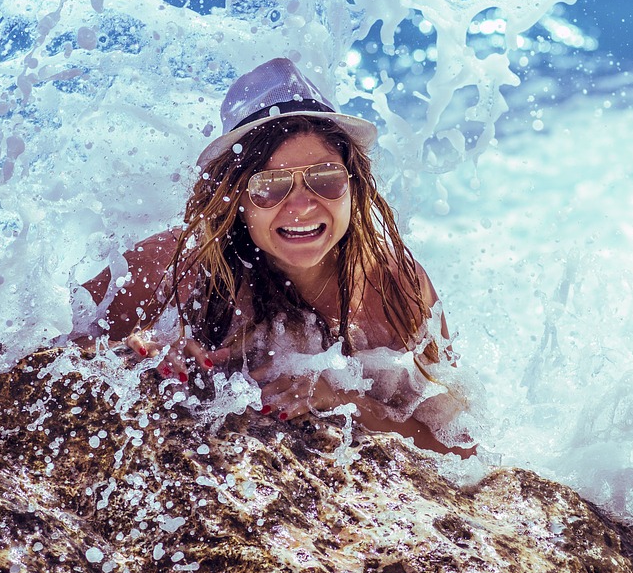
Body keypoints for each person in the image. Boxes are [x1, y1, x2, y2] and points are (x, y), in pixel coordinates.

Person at [73, 57, 475, 458]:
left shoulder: (393, 286)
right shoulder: (171, 267)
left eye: (326, 179)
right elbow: (43, 358)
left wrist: (350, 402)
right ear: (234, 198)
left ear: (354, 184)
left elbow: (462, 445)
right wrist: (137, 359)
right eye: (270, 186)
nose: (302, 206)